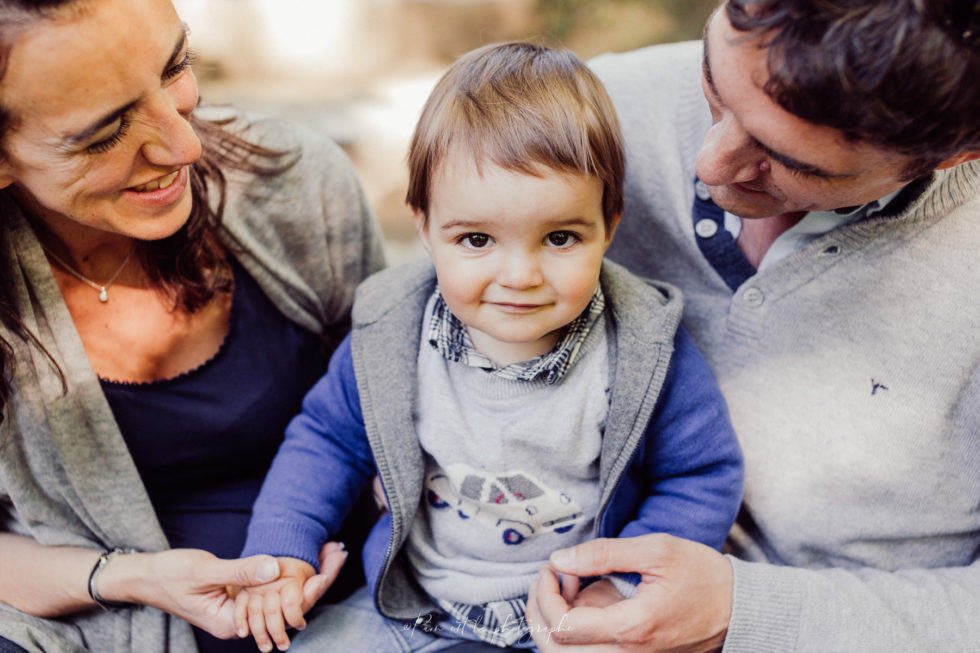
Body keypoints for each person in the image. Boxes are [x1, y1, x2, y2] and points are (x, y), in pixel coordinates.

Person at [231, 42, 744, 653]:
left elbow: (700, 474)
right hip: (412, 605)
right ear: (424, 226)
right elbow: (329, 439)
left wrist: (622, 584)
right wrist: (281, 547)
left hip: (567, 621)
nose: (519, 275)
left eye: (559, 237)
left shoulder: (642, 351)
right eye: (477, 239)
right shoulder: (392, 333)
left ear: (609, 223)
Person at [524, 0, 980, 651]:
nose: (710, 165)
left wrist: (740, 613)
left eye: (794, 164)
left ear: (959, 155)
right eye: (713, 84)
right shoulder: (594, 109)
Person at [0, 0, 386, 652]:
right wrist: (133, 578)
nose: (186, 145)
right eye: (104, 132)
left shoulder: (292, 180)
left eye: (176, 66)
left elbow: (406, 392)